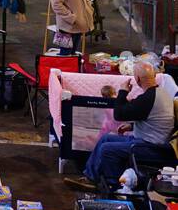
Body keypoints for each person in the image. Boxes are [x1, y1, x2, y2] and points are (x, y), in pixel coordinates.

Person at [67, 60, 176, 192]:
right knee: (106, 138)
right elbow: (152, 119)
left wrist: (123, 92)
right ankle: (91, 178)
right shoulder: (161, 93)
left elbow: (118, 114)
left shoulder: (148, 98)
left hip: (152, 147)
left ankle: (116, 187)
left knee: (107, 149)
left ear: (137, 79)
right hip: (151, 142)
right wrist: (132, 126)